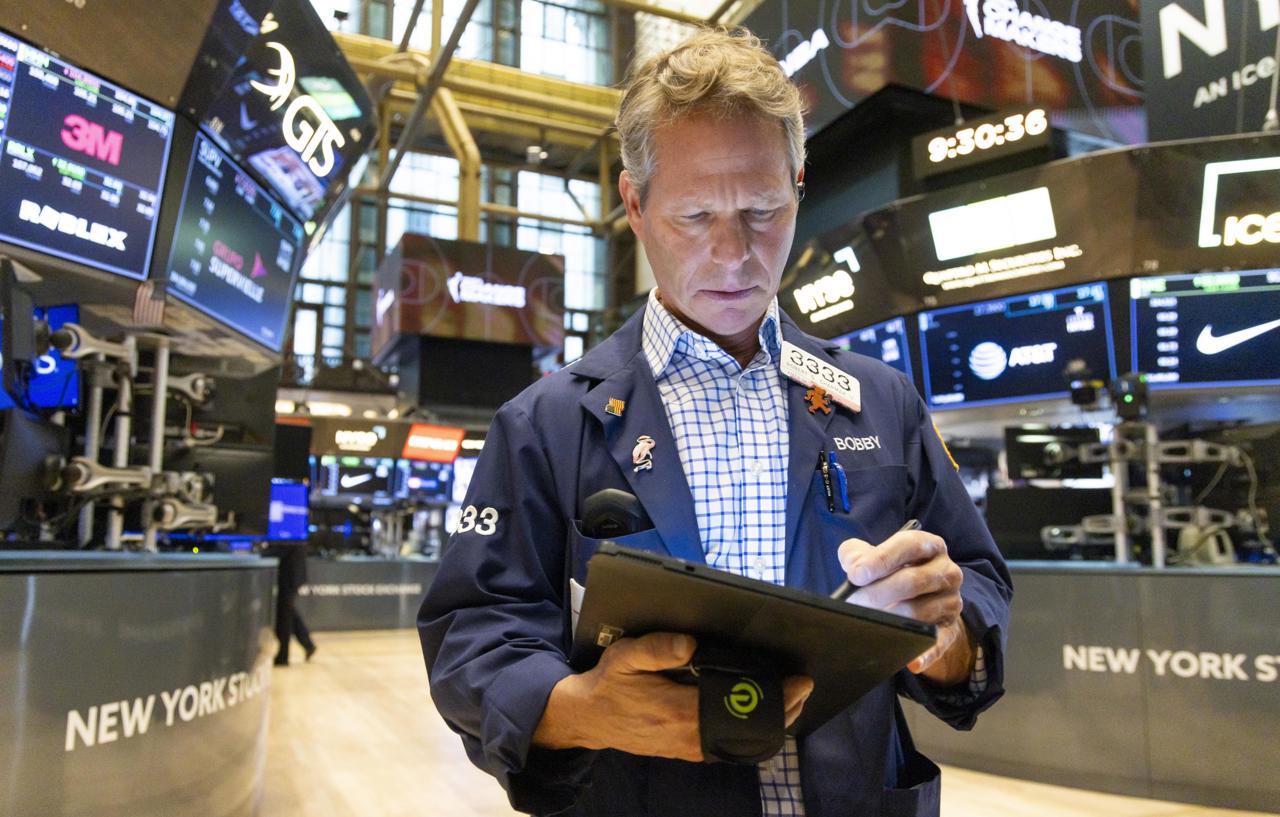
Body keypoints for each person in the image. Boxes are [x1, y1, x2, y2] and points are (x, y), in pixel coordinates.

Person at [419, 26, 1012, 817]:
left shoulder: (881, 399)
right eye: (695, 216)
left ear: (799, 182)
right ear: (634, 203)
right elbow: (476, 629)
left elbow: (977, 584)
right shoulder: (546, 423)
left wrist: (944, 636)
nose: (735, 255)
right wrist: (576, 704)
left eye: (763, 210)